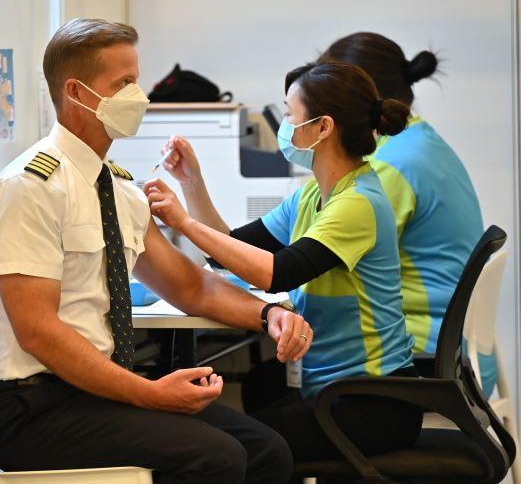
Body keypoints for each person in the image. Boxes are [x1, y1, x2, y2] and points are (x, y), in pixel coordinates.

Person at [0, 18, 311, 484]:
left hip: (97, 392)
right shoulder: (28, 189)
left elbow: (190, 286)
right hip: (34, 410)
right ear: (76, 92)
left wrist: (266, 315)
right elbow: (39, 333)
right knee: (216, 458)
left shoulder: (118, 188)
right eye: (124, 83)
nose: (139, 95)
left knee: (268, 452)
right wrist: (148, 393)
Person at [145, 61, 422, 463]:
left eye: (291, 115)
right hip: (334, 390)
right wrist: (191, 182)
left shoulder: (359, 203)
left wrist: (182, 222)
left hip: (375, 401)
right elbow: (231, 248)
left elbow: (275, 273)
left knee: (248, 444)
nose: (285, 126)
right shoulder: (314, 195)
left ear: (323, 128)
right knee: (257, 394)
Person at [317, 32, 493, 395]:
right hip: (459, 351)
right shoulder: (421, 143)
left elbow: (320, 264)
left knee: (268, 391)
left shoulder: (391, 167)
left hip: (426, 358)